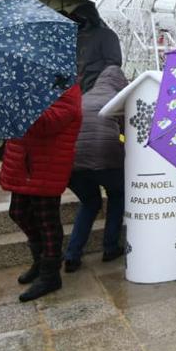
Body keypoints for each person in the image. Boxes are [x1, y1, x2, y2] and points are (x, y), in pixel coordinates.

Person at [0, 82, 82, 302]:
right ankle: (41, 259)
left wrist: (17, 105)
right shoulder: (30, 85)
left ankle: (50, 274)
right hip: (24, 162)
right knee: (18, 212)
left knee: (47, 220)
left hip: (47, 164)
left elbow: (46, 123)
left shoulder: (68, 91)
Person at [64, 65, 127, 273]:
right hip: (107, 160)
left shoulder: (83, 97)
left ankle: (73, 254)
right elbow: (130, 133)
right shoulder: (118, 100)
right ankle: (110, 247)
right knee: (117, 195)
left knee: (90, 203)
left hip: (74, 164)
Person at [67, 0, 122, 94]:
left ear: (88, 18)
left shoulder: (106, 35)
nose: (75, 21)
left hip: (97, 88)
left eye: (78, 18)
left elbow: (113, 63)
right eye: (74, 18)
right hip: (75, 90)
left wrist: (98, 81)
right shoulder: (73, 38)